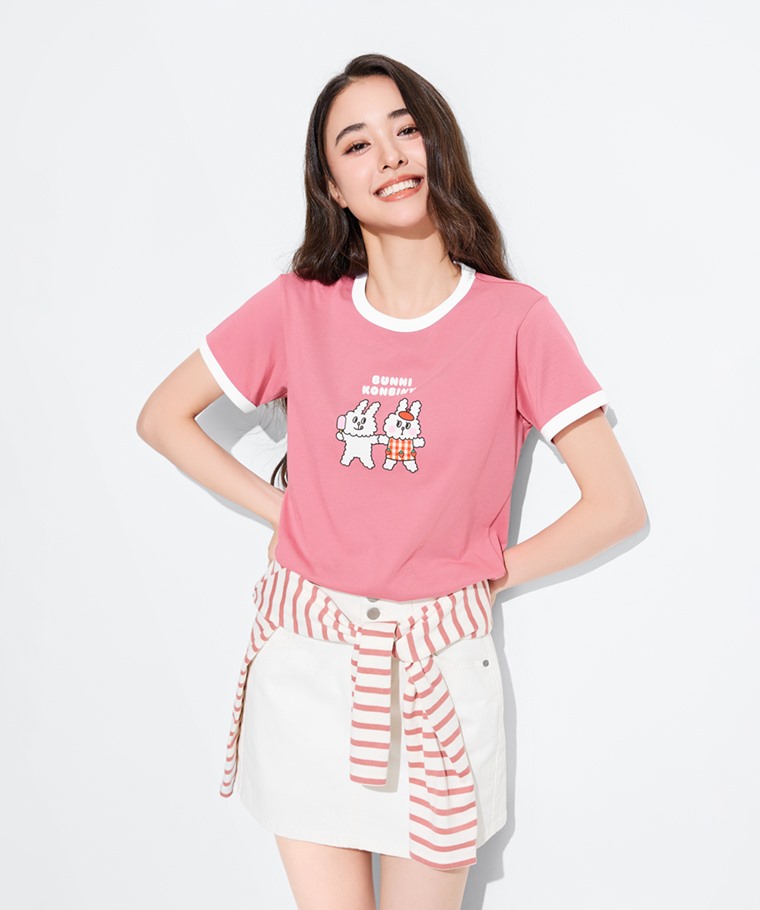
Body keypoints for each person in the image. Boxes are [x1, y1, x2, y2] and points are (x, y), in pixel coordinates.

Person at [136, 53, 647, 910]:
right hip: (308, 662)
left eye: (406, 129)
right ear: (332, 187)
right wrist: (285, 510)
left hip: (437, 668)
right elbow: (162, 417)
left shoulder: (516, 320)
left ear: (437, 144)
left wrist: (484, 574)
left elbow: (616, 505)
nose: (390, 156)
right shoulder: (297, 307)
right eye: (357, 144)